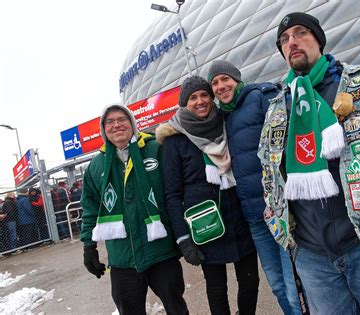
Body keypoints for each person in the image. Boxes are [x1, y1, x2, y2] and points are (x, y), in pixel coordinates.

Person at [258, 12, 360, 314]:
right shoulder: (278, 107)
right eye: (284, 40)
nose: (292, 42)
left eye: (300, 33)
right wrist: (283, 232)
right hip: (312, 256)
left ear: (319, 40)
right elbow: (269, 173)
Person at [156, 76, 259, 315]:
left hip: (239, 218)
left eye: (204, 95)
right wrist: (183, 238)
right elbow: (171, 194)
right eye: (193, 98)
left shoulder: (226, 124)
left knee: (250, 281)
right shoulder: (175, 139)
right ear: (185, 103)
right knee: (216, 288)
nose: (200, 101)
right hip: (206, 225)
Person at [207, 60, 302, 314]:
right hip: (255, 218)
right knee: (278, 285)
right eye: (215, 83)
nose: (220, 86)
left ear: (237, 79)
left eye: (224, 79)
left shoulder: (262, 97)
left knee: (294, 285)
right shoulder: (222, 117)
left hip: (282, 212)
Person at [80, 104, 188, 315]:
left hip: (160, 251)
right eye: (110, 122)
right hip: (121, 258)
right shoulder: (96, 166)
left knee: (176, 309)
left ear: (132, 123)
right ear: (103, 129)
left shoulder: (155, 148)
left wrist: (183, 235)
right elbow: (90, 208)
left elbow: (176, 194)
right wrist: (88, 246)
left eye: (122, 119)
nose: (116, 125)